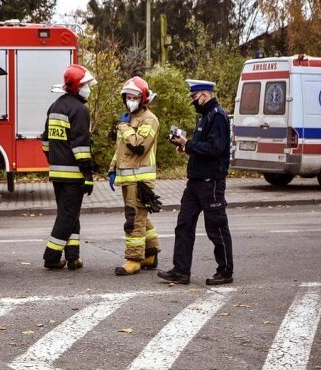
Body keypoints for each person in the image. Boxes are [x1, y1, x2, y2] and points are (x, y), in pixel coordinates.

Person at [158, 79, 234, 286]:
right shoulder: (205, 117)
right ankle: (181, 271)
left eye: (194, 97)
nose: (192, 101)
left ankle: (225, 271)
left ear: (204, 95)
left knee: (216, 227)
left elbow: (216, 148)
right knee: (184, 224)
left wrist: (188, 144)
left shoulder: (217, 116)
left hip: (211, 182)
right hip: (195, 182)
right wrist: (187, 148)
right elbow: (202, 146)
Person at [40, 64, 96, 270]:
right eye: (86, 85)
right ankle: (51, 256)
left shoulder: (55, 106)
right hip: (74, 174)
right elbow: (81, 147)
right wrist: (88, 175)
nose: (88, 88)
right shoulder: (80, 110)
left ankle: (73, 257)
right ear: (76, 87)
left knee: (71, 213)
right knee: (67, 215)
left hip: (57, 172)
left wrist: (54, 158)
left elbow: (45, 141)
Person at [108, 76, 162, 276]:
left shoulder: (149, 119)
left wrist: (123, 128)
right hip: (128, 178)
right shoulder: (129, 119)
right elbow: (121, 149)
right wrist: (113, 168)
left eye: (134, 97)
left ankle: (134, 259)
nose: (130, 100)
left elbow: (139, 146)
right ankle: (150, 252)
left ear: (143, 98)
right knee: (141, 216)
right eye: (127, 97)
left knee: (134, 219)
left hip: (139, 180)